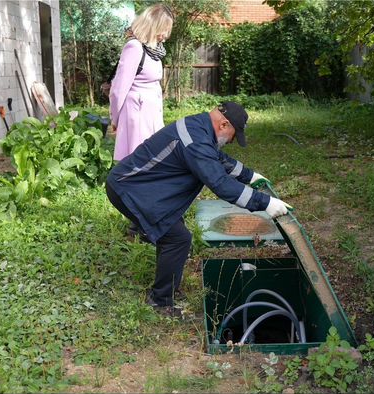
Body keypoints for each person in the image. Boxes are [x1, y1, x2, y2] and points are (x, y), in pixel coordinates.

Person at [105, 102, 292, 317]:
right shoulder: (196, 142)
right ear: (223, 124)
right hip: (129, 189)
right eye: (233, 135)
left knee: (174, 232)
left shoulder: (200, 127)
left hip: (139, 186)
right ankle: (160, 303)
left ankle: (165, 284)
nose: (231, 141)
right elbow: (220, 183)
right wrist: (266, 203)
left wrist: (250, 176)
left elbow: (217, 159)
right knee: (177, 238)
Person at [109, 3, 174, 160]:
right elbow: (119, 89)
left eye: (168, 30)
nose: (166, 35)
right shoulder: (134, 47)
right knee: (138, 162)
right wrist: (115, 119)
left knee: (151, 161)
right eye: (164, 29)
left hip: (151, 114)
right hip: (137, 116)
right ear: (153, 25)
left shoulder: (153, 50)